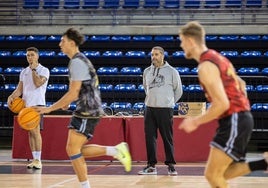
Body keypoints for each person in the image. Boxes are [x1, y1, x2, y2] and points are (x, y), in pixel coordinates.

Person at [34, 28, 132, 188]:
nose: (60, 44)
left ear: (72, 43)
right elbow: (78, 90)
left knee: (73, 149)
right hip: (85, 108)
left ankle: (110, 157)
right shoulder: (78, 60)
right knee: (73, 149)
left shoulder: (77, 62)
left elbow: (74, 92)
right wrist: (65, 103)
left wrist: (49, 108)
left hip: (88, 109)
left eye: (63, 41)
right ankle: (116, 151)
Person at [178, 21, 268, 188]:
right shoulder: (217, 57)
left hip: (235, 118)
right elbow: (241, 84)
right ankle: (263, 164)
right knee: (222, 174)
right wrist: (242, 109)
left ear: (190, 41)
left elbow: (222, 104)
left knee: (212, 175)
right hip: (240, 118)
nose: (181, 45)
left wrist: (195, 121)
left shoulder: (205, 66)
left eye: (182, 41)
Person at [138, 46, 183, 175]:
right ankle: (151, 166)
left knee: (167, 138)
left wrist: (169, 102)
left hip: (165, 109)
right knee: (149, 138)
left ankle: (171, 165)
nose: (154, 57)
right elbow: (146, 88)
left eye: (156, 54)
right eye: (152, 55)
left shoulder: (172, 72)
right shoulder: (147, 71)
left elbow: (178, 91)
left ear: (163, 55)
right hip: (149, 109)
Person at [7, 47, 50, 169]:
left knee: (35, 132)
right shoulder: (23, 71)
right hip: (26, 106)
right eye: (27, 55)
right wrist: (11, 96)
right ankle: (34, 159)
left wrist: (34, 70)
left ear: (37, 56)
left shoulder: (44, 70)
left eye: (32, 55)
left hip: (38, 105)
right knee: (30, 133)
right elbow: (19, 89)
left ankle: (39, 160)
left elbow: (38, 83)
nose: (29, 57)